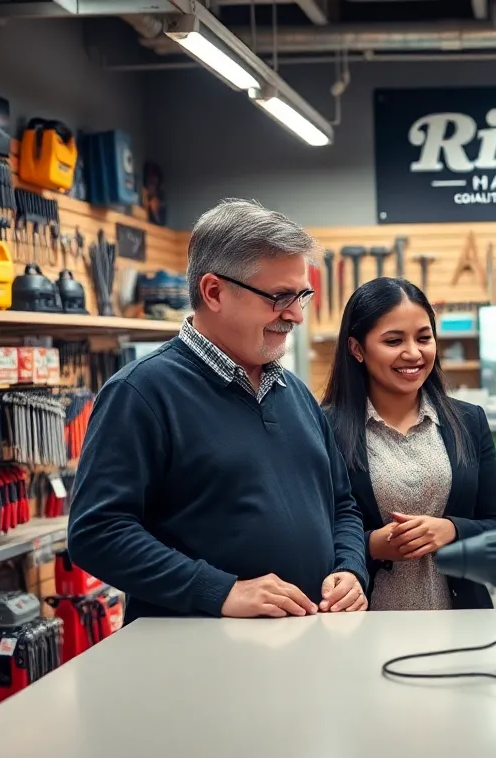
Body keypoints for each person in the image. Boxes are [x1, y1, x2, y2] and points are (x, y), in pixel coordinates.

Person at [68, 199, 369, 623]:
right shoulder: (141, 393)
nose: (297, 315)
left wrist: (350, 568)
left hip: (305, 647)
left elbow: (343, 506)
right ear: (214, 292)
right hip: (196, 659)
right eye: (280, 297)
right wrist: (219, 591)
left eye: (301, 295)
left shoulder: (295, 394)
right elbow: (97, 534)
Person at [322, 277, 496, 610]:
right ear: (357, 349)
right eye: (394, 341)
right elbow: (316, 536)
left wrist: (451, 530)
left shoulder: (468, 422)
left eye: (424, 338)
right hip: (363, 623)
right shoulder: (325, 427)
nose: (413, 353)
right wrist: (371, 545)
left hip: (461, 622)